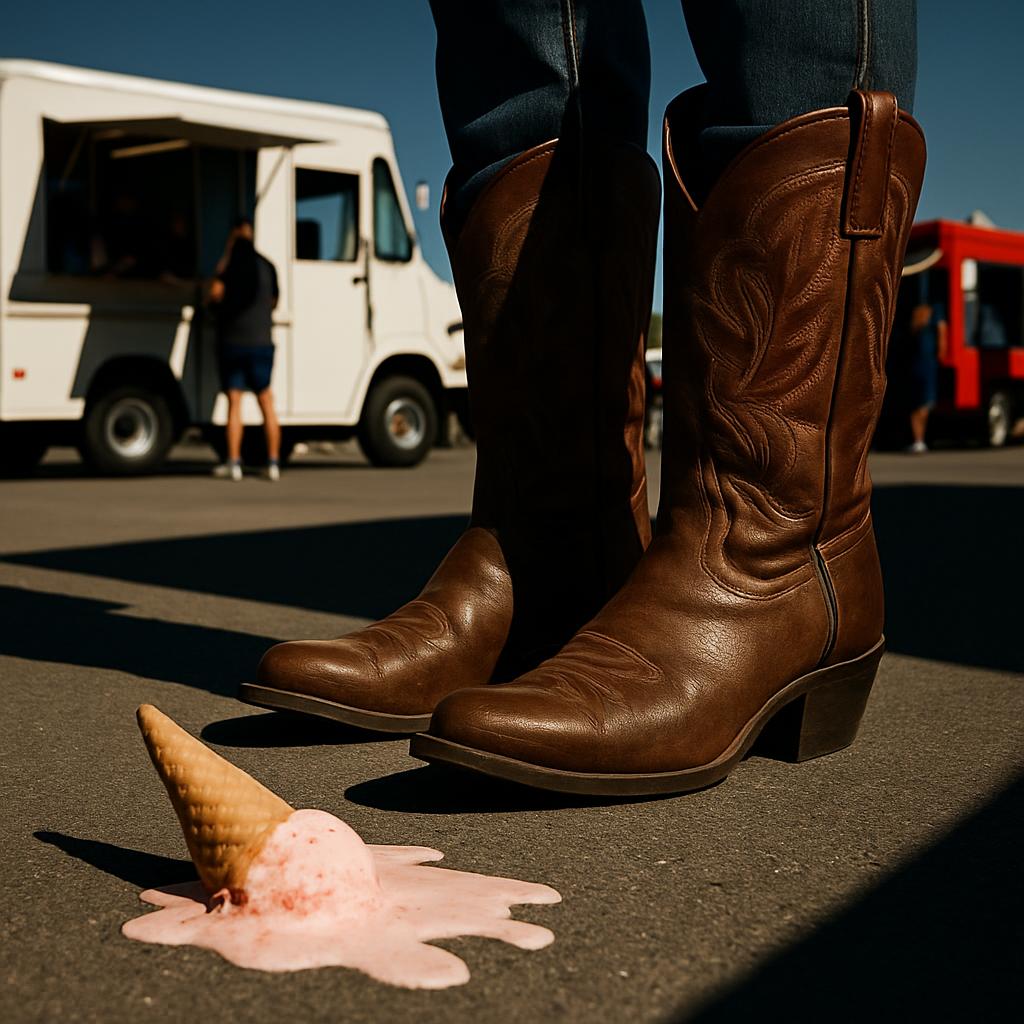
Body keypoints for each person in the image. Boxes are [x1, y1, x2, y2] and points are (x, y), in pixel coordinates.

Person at [248, 2, 924, 795]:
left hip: (778, 561)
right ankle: (551, 549)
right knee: (517, 48)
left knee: (789, 36)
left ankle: (772, 569)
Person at [209, 218, 282, 482]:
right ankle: (273, 463)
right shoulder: (267, 266)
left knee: (235, 403)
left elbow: (214, 295)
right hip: (262, 342)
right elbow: (274, 301)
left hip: (232, 342)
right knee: (266, 402)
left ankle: (234, 462)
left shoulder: (229, 265)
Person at [906, 298, 947, 453]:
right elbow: (942, 333)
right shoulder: (932, 312)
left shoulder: (931, 312)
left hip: (922, 362)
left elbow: (942, 334)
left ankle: (919, 439)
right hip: (923, 363)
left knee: (920, 403)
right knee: (919, 403)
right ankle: (919, 439)